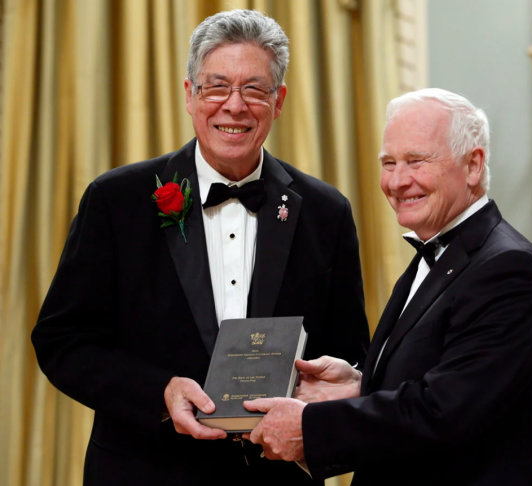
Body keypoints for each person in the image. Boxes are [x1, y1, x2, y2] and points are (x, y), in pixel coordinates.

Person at [31, 9, 369, 486]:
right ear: (190, 96)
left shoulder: (325, 211)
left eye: (254, 88)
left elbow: (348, 352)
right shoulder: (116, 200)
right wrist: (159, 392)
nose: (234, 106)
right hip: (143, 471)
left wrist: (321, 402)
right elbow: (63, 342)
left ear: (279, 101)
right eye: (217, 87)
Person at [243, 88, 532, 485]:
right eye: (389, 163)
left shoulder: (513, 272)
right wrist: (361, 384)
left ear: (473, 165)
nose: (397, 182)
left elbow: (444, 412)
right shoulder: (437, 257)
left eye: (416, 161)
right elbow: (446, 378)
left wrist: (310, 428)